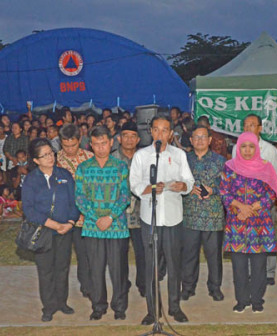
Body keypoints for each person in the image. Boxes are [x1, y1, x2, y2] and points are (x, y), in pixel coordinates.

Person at [129, 115, 194, 325]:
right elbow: (134, 184)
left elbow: (189, 180)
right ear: (150, 132)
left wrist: (183, 186)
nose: (160, 134)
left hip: (174, 217)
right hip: (150, 217)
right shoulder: (141, 155)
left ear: (170, 133)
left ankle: (174, 307)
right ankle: (152, 310)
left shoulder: (179, 155)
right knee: (151, 266)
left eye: (164, 130)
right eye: (156, 130)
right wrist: (148, 189)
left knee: (174, 264)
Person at [75, 125, 130, 321]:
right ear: (90, 145)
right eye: (96, 144)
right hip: (92, 227)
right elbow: (79, 198)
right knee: (95, 270)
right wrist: (95, 218)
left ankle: (120, 307)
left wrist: (110, 217)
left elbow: (125, 196)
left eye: (104, 143)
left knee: (118, 270)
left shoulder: (120, 167)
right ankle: (98, 306)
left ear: (111, 142)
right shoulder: (83, 168)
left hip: (116, 227)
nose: (100, 148)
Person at [22, 138, 80, 322]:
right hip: (43, 232)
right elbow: (29, 210)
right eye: (44, 155)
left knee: (62, 268)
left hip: (65, 230)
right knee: (45, 270)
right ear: (36, 160)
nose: (50, 157)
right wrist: (54, 225)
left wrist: (70, 223)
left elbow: (75, 202)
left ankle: (62, 302)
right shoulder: (31, 180)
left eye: (51, 153)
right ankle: (49, 306)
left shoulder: (64, 174)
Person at [221, 132, 277, 313]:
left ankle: (257, 300)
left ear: (256, 148)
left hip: (259, 223)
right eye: (243, 146)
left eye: (251, 147)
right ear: (238, 147)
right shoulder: (229, 167)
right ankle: (242, 300)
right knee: (238, 266)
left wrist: (253, 207)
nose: (247, 150)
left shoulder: (266, 167)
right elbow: (224, 192)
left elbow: (272, 194)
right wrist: (240, 207)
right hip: (237, 222)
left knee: (259, 265)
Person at [231, 114, 277, 286]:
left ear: (260, 128)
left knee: (266, 236)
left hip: (263, 203)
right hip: (243, 204)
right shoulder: (237, 148)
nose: (247, 129)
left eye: (252, 125)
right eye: (245, 125)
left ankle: (268, 272)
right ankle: (251, 272)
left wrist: (263, 201)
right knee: (247, 236)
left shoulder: (270, 150)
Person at [181, 125, 226, 302]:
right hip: (189, 215)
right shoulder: (183, 160)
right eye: (196, 137)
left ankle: (215, 287)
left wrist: (213, 189)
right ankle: (188, 287)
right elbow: (176, 182)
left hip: (212, 216)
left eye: (203, 137)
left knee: (214, 255)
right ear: (191, 141)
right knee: (189, 254)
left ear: (209, 140)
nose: (199, 140)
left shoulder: (221, 161)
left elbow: (228, 186)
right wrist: (187, 188)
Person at [56, 124, 94, 299]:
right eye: (65, 146)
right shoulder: (54, 160)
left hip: (84, 218)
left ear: (80, 140)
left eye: (73, 145)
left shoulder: (90, 158)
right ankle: (59, 292)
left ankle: (87, 286)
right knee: (60, 257)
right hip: (61, 218)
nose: (70, 150)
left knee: (85, 254)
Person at [111, 121, 146, 298]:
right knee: (119, 255)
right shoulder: (112, 160)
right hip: (119, 216)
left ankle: (143, 284)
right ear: (119, 138)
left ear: (138, 139)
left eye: (133, 136)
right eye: (126, 136)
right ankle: (122, 285)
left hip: (141, 214)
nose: (129, 140)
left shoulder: (144, 158)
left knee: (143, 253)